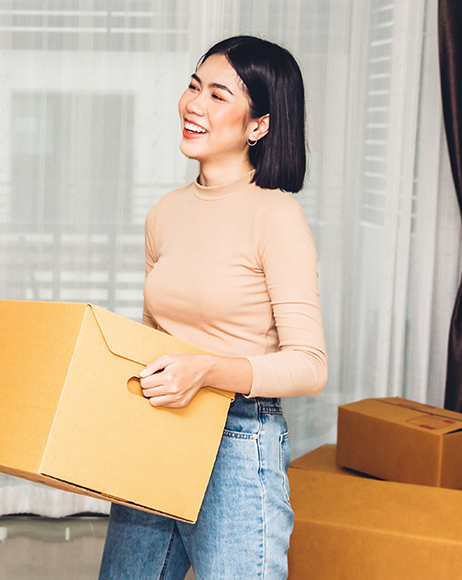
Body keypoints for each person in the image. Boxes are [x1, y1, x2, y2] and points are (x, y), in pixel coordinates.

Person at [97, 36, 326, 580]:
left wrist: (205, 370)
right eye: (193, 86)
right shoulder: (164, 214)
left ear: (258, 125)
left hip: (238, 439)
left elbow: (310, 365)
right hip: (160, 430)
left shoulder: (276, 217)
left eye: (218, 95)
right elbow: (155, 336)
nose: (193, 104)